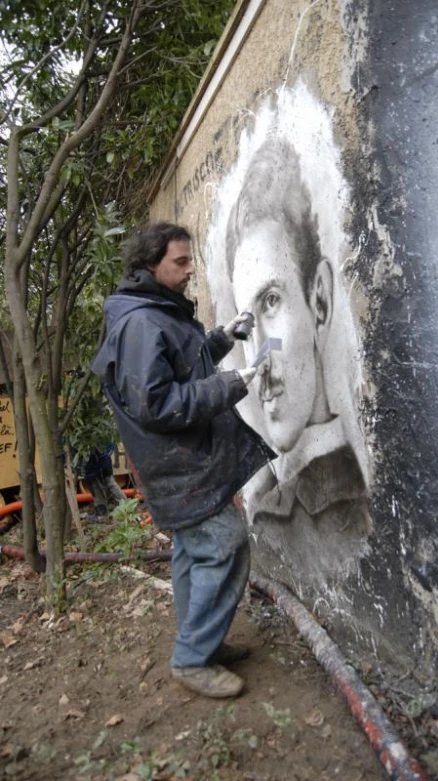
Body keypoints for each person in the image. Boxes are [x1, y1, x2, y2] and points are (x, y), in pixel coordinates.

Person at [92, 222, 276, 698]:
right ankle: (193, 659)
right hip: (180, 464)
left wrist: (222, 338)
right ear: (150, 264)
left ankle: (202, 643)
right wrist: (232, 383)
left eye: (190, 259)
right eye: (181, 261)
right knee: (225, 545)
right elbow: (157, 403)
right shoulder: (141, 322)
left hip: (184, 461)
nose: (191, 269)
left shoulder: (154, 310)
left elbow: (180, 359)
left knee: (194, 551)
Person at [225, 137, 372, 587]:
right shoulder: (273, 503)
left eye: (272, 301)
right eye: (247, 326)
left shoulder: (349, 512)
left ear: (320, 302)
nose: (259, 362)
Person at [81, 444, 126, 523]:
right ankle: (126, 505)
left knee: (96, 487)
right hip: (104, 460)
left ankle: (102, 515)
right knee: (110, 483)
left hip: (93, 466)